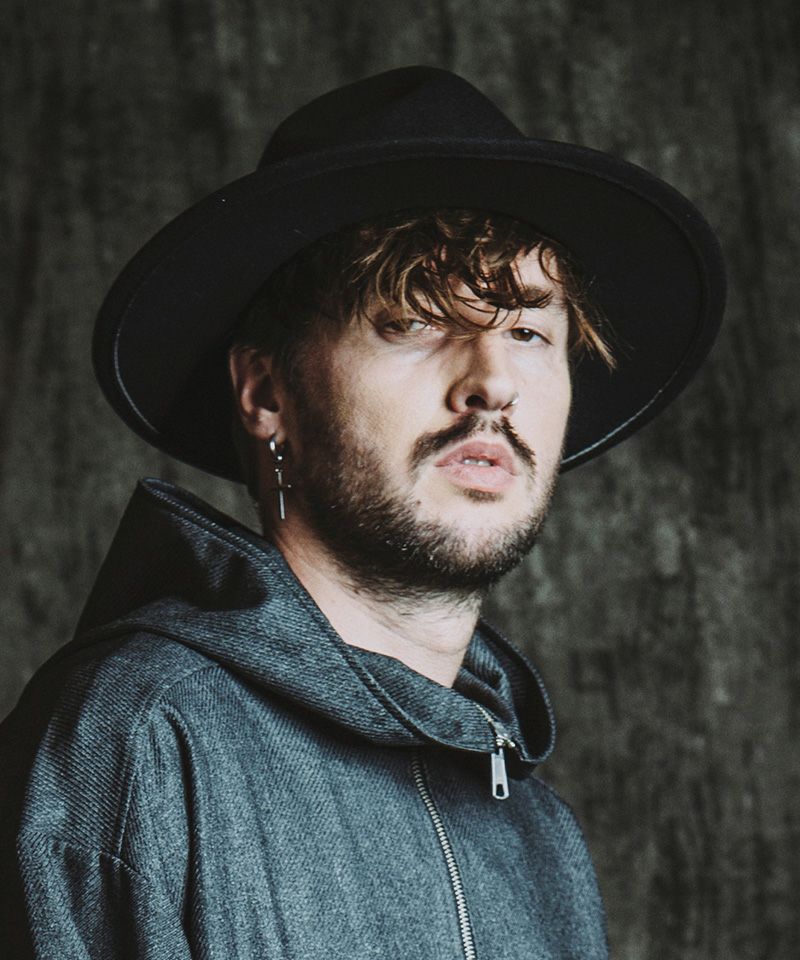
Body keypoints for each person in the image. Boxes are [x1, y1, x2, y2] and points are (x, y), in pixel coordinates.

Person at [0, 66, 725, 959]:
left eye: (529, 331)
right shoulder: (133, 736)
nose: (493, 382)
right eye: (416, 321)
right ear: (267, 393)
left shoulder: (542, 841)